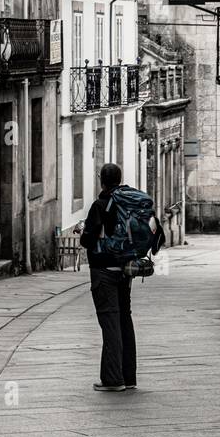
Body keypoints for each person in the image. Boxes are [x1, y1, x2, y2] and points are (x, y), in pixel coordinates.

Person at [80, 162, 159, 392]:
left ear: (101, 180)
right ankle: (129, 377)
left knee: (110, 323)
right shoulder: (129, 202)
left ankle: (113, 379)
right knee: (125, 320)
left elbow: (88, 239)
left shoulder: (100, 205)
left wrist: (83, 230)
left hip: (103, 271)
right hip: (125, 270)